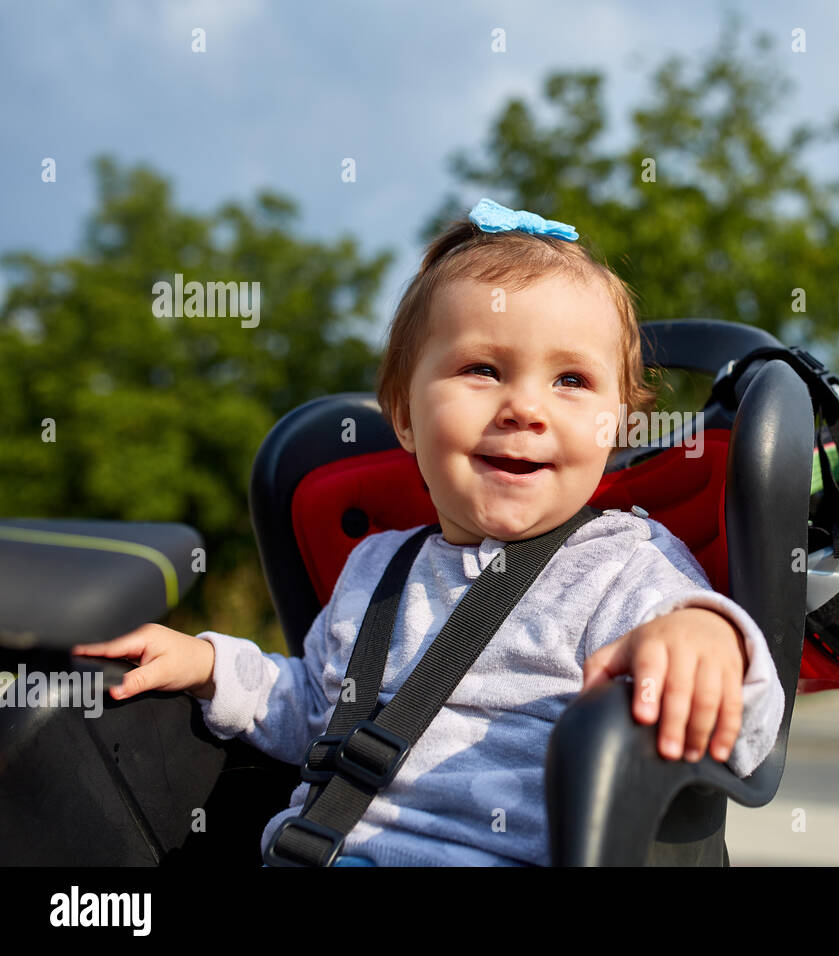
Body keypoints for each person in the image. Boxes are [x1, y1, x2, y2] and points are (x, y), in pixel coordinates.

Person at [71, 198, 785, 866]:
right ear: (405, 417)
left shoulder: (625, 568)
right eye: (482, 369)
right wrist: (208, 665)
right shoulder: (376, 569)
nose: (525, 408)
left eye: (571, 381)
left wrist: (709, 641)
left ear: (618, 425)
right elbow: (311, 712)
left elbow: (750, 738)